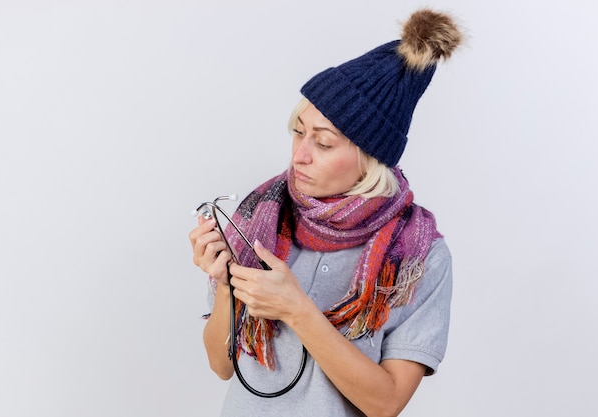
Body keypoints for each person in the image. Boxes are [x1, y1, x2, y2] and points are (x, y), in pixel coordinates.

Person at [189, 8, 462, 417]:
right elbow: (222, 366)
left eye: (324, 142)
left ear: (371, 158)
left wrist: (296, 310)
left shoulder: (418, 257)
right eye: (298, 132)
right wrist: (226, 283)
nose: (299, 156)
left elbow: (384, 404)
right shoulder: (259, 220)